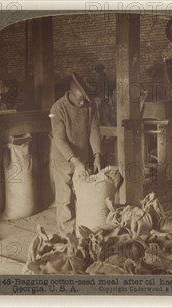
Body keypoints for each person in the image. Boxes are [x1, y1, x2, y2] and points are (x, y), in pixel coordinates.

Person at [49, 72, 102, 234]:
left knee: (83, 195)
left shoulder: (89, 105)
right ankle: (67, 235)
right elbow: (60, 140)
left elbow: (94, 130)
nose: (82, 102)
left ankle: (82, 230)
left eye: (84, 100)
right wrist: (76, 162)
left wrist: (97, 155)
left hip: (83, 156)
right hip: (64, 159)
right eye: (79, 99)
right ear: (70, 94)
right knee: (65, 198)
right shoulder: (58, 108)